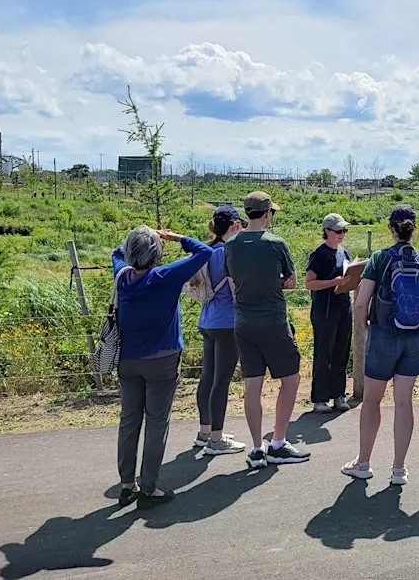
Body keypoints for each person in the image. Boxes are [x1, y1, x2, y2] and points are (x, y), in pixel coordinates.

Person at [341, 205, 419, 486]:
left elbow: (362, 302)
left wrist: (364, 329)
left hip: (384, 337)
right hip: (415, 338)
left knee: (372, 400)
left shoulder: (380, 259)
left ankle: (363, 462)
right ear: (415, 229)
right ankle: (399, 469)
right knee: (403, 403)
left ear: (391, 228)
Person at [112, 226, 212, 508]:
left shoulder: (121, 275)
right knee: (157, 422)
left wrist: (137, 237)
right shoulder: (166, 276)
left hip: (128, 359)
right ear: (157, 253)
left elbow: (116, 252)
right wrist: (175, 237)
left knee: (129, 419)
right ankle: (149, 488)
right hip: (163, 360)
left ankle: (126, 484)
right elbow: (204, 251)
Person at [226, 191, 311, 469]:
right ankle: (278, 442)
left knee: (253, 384)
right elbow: (291, 282)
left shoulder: (232, 244)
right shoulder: (276, 244)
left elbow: (231, 280)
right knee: (290, 379)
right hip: (273, 321)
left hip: (243, 322)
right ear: (267, 214)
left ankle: (255, 447)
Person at [196, 206, 248, 455]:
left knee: (207, 377)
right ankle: (217, 439)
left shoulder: (208, 250)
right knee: (222, 380)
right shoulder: (229, 252)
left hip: (207, 318)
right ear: (235, 225)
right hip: (227, 321)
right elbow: (237, 287)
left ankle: (205, 431)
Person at [305, 213, 354, 413]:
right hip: (324, 309)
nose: (342, 234)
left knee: (341, 351)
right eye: (338, 231)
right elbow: (309, 283)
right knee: (324, 353)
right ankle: (320, 398)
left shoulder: (345, 252)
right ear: (327, 231)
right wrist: (333, 283)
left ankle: (339, 395)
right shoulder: (319, 254)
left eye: (344, 230)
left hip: (343, 306)